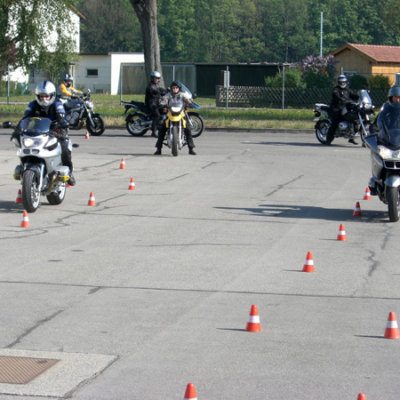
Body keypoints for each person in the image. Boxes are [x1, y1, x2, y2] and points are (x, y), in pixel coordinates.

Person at [12, 81, 76, 186]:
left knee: (64, 147)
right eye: (41, 96)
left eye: (46, 96)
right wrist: (18, 129)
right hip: (38, 131)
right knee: (23, 145)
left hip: (55, 131)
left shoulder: (57, 104)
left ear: (52, 95)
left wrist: (63, 123)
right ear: (38, 96)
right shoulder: (32, 105)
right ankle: (25, 169)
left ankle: (69, 171)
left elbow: (61, 117)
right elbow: (25, 118)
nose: (44, 99)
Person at [154, 80, 196, 155]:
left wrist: (190, 103)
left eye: (176, 88)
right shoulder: (168, 95)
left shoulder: (182, 95)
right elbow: (164, 99)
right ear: (171, 88)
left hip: (180, 113)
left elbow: (188, 100)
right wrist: (161, 103)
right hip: (170, 113)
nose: (175, 89)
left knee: (188, 129)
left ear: (179, 88)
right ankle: (158, 149)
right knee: (162, 129)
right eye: (173, 88)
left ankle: (191, 148)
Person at [326, 75, 360, 145]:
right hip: (336, 108)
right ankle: (328, 140)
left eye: (343, 82)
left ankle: (351, 138)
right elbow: (336, 95)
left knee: (353, 119)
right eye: (341, 82)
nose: (342, 83)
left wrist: (359, 96)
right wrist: (341, 100)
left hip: (345, 107)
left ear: (346, 82)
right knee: (335, 122)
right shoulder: (336, 89)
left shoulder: (348, 90)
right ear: (338, 82)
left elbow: (353, 95)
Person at [145, 71, 167, 137]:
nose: (156, 79)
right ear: (152, 78)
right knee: (157, 115)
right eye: (155, 78)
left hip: (156, 102)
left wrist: (168, 90)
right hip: (151, 103)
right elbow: (154, 91)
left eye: (157, 78)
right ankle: (153, 132)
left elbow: (160, 89)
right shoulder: (150, 85)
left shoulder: (156, 85)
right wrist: (160, 93)